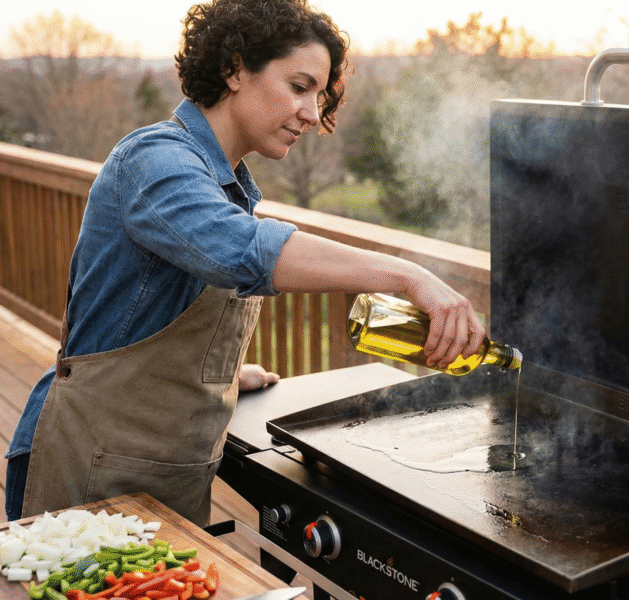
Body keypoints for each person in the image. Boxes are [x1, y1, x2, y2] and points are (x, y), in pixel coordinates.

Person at [4, 0, 486, 526]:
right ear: (235, 69)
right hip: (90, 465)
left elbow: (162, 313)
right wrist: (409, 275)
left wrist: (215, 376)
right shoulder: (155, 160)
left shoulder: (228, 186)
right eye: (299, 86)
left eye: (320, 94)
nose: (311, 112)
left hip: (163, 471)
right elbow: (243, 251)